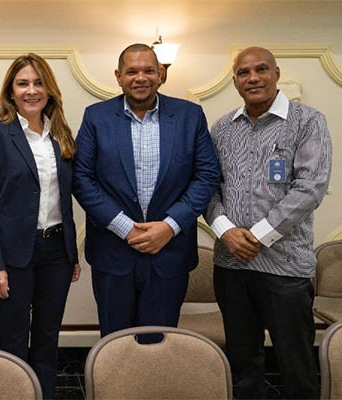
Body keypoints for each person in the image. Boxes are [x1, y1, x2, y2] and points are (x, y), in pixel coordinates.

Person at [206, 46, 331, 399]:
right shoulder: (222, 129)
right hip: (231, 265)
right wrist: (226, 231)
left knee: (297, 366)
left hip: (285, 268)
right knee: (243, 366)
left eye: (261, 69)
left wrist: (257, 236)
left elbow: (310, 187)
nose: (253, 78)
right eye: (243, 73)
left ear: (277, 73)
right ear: (235, 81)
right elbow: (208, 188)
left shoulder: (307, 121)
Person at [72, 43, 220, 338]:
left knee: (159, 344)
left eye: (148, 70)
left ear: (161, 74)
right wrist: (125, 228)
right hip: (113, 254)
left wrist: (169, 226)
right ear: (118, 76)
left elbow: (207, 175)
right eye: (132, 72)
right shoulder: (96, 117)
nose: (140, 78)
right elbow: (81, 178)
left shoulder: (190, 116)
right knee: (115, 343)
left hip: (169, 253)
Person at [0, 53, 80, 399]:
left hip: (57, 252)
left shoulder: (60, 133)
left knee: (48, 337)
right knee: (14, 339)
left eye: (38, 83)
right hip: (12, 254)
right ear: (11, 91)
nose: (31, 90)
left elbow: (65, 199)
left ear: (49, 90)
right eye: (23, 84)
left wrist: (72, 255)